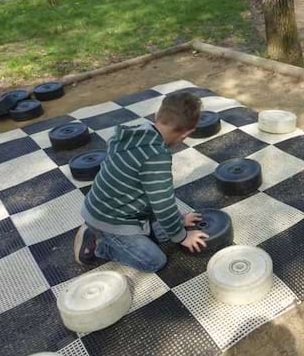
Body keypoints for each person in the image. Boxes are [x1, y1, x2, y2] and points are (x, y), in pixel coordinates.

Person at [73, 91, 209, 272]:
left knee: (164, 231)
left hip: (104, 205)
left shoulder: (134, 132)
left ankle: (103, 229)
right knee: (155, 261)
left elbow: (152, 194)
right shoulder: (156, 157)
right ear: (186, 134)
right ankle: (99, 244)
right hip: (113, 219)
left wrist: (178, 220)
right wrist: (183, 237)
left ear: (156, 116)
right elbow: (163, 204)